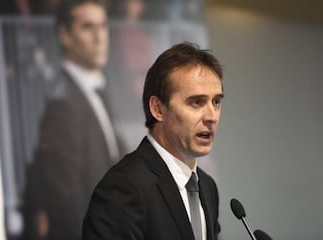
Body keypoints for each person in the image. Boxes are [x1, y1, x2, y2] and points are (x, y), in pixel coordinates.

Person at [83, 42, 224, 240]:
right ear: (158, 109)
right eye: (196, 102)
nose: (211, 116)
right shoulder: (123, 187)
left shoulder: (208, 188)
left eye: (216, 102)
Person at [23, 0, 124, 239]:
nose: (99, 37)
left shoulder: (95, 91)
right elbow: (67, 203)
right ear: (65, 35)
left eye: (103, 26)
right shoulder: (63, 103)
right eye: (88, 27)